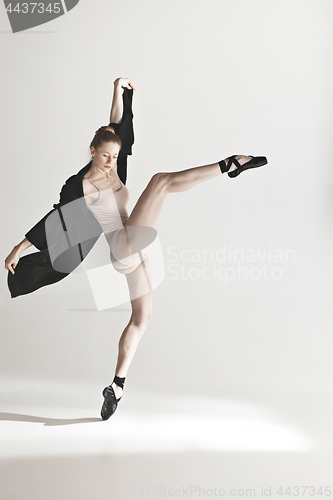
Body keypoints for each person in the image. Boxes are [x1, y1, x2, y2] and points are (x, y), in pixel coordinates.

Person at [5, 77, 268, 420]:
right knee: (161, 182)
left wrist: (117, 90)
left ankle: (116, 386)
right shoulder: (79, 185)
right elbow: (55, 220)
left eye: (115, 156)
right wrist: (19, 247)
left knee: (142, 318)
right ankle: (229, 165)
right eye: (105, 156)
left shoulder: (112, 163)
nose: (111, 162)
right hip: (124, 246)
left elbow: (116, 126)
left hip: (135, 248)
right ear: (92, 152)